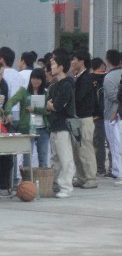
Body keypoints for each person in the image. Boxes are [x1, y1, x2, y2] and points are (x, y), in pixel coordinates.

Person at [4, 68, 50, 167]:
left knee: (43, 159)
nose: (35, 81)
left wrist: (35, 109)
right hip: (28, 128)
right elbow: (11, 101)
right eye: (33, 78)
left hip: (43, 128)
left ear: (43, 80)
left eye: (38, 79)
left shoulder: (46, 93)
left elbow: (49, 111)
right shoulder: (24, 90)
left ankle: (42, 177)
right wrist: (8, 112)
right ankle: (27, 177)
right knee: (27, 160)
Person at [46, 51, 75, 198]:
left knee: (65, 158)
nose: (51, 66)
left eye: (53, 64)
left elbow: (57, 105)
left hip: (63, 125)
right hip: (54, 124)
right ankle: (54, 184)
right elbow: (50, 104)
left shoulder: (67, 85)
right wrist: (51, 105)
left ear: (61, 66)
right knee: (55, 158)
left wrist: (51, 105)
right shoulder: (55, 85)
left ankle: (66, 187)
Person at [70, 49, 98, 189]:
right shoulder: (78, 77)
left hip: (84, 118)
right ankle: (81, 177)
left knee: (85, 150)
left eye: (74, 59)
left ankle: (91, 178)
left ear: (81, 61)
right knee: (77, 151)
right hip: (77, 118)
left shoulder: (86, 78)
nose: (72, 62)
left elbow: (78, 97)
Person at [103, 49, 122, 180]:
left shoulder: (108, 77)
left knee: (115, 145)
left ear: (107, 61)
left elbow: (113, 96)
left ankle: (117, 171)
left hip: (112, 115)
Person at [90, 57, 109, 176]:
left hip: (95, 116)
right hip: (106, 115)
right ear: (102, 66)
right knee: (105, 143)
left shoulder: (90, 80)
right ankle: (103, 168)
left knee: (97, 143)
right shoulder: (105, 79)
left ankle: (100, 168)